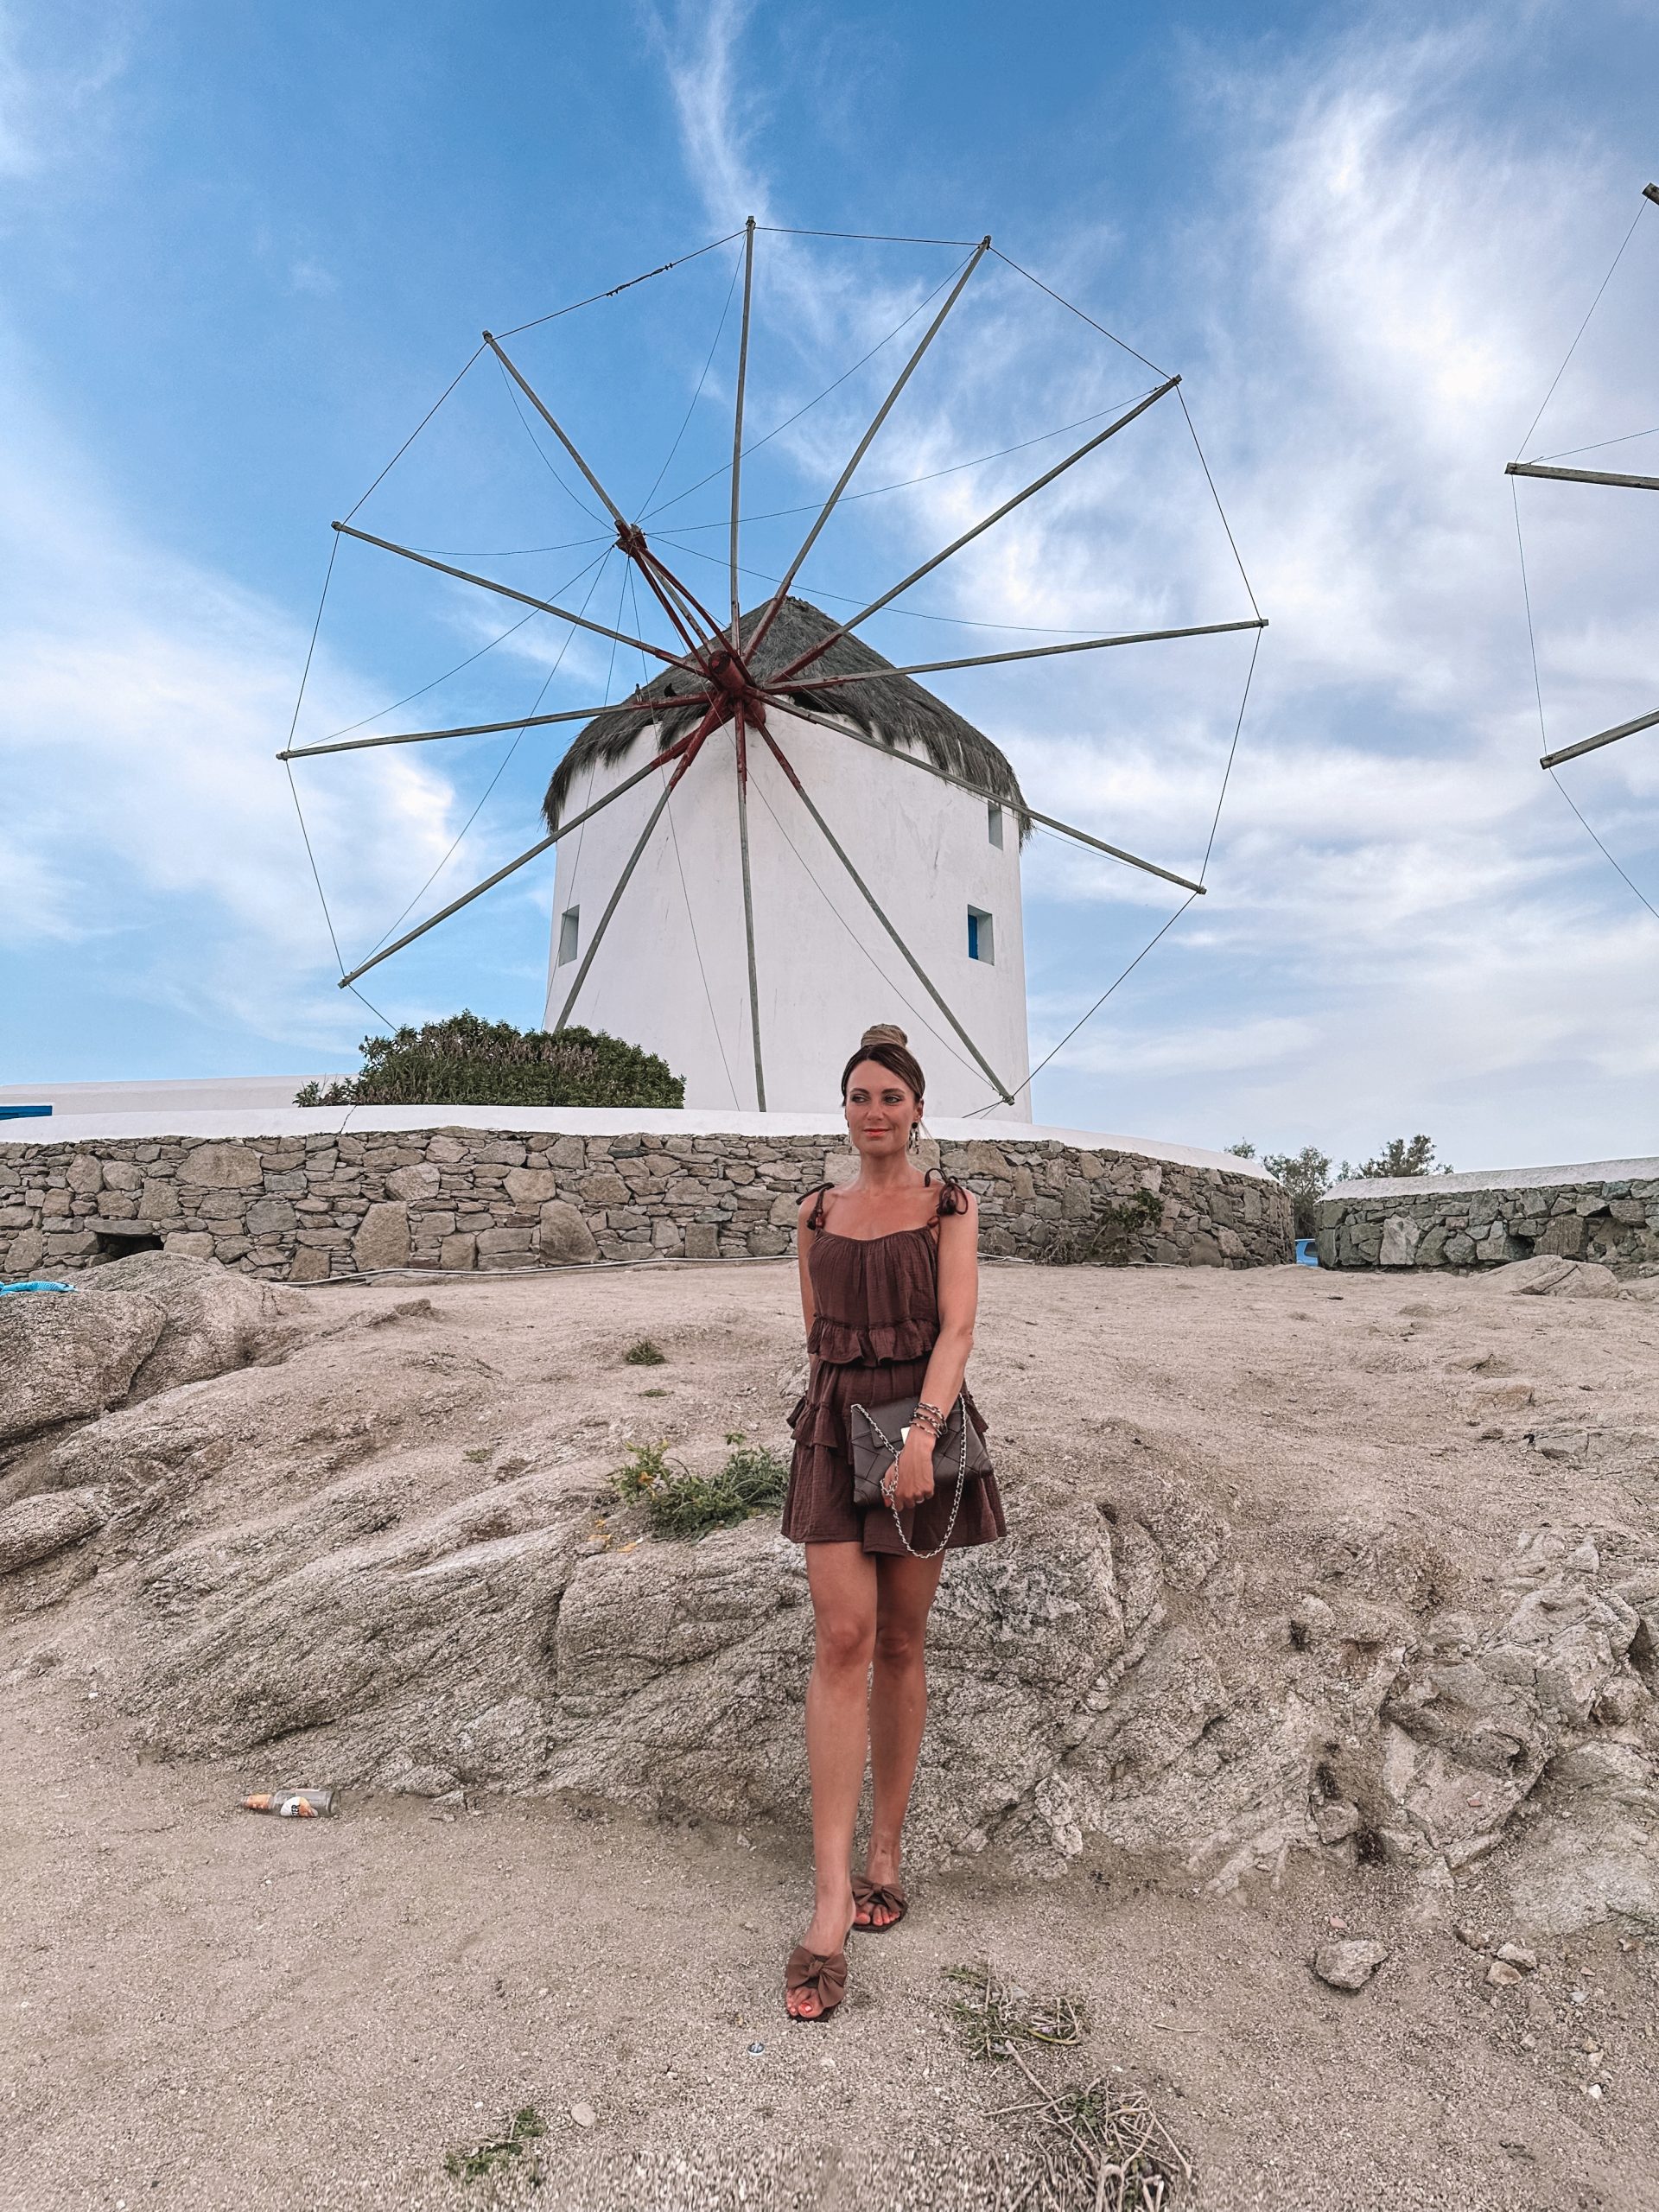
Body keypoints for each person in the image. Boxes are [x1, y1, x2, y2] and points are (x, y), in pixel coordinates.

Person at [779, 1023, 1007, 2021]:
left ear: (918, 1108)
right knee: (844, 1638)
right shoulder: (816, 1210)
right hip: (836, 1430)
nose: (874, 1113)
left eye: (890, 1098)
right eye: (859, 1097)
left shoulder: (947, 1204)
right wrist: (856, 1421)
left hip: (922, 1431)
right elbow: (816, 1329)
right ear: (845, 1109)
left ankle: (885, 1850)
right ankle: (830, 1901)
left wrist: (921, 1431)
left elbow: (957, 1325)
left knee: (905, 1642)